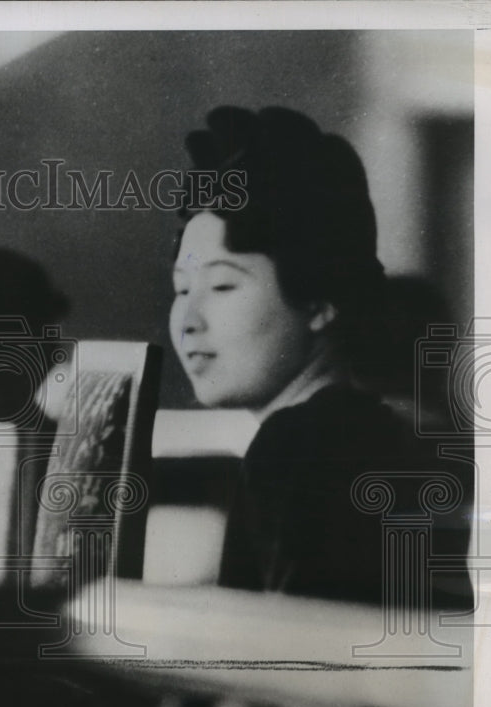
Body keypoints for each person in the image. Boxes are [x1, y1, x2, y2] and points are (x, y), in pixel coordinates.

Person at [169, 106, 471, 608]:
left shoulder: (298, 445)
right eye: (181, 289)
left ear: (319, 298)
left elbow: (300, 647)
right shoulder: (357, 432)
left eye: (222, 285)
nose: (189, 320)